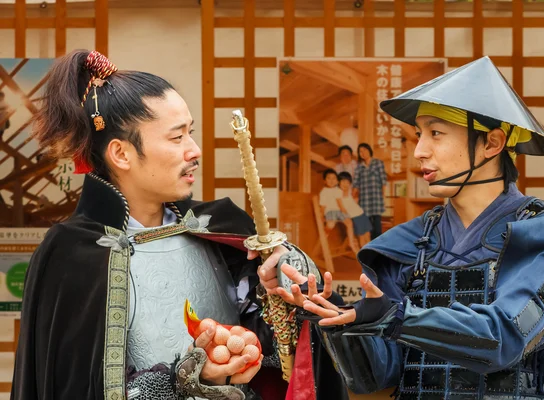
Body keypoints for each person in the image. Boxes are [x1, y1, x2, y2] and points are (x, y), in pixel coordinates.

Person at [11, 50, 347, 400]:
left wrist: (282, 289)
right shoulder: (71, 253)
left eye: (191, 133)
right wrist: (189, 380)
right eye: (177, 137)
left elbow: (284, 355)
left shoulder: (219, 226)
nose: (195, 150)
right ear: (121, 154)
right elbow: (75, 386)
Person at [270, 56, 544, 399]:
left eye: (436, 133)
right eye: (420, 135)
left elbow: (506, 338)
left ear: (492, 144)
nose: (419, 151)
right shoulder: (407, 243)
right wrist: (333, 313)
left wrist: (397, 317)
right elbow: (374, 376)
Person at [319, 168, 359, 253]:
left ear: (337, 181)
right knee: (331, 224)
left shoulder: (338, 190)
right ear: (324, 181)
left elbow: (341, 202)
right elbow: (323, 206)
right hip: (330, 211)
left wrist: (347, 208)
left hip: (339, 211)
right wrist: (321, 216)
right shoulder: (324, 192)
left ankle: (351, 242)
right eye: (329, 178)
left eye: (334, 178)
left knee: (349, 223)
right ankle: (325, 235)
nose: (331, 180)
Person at [353, 143, 387, 239]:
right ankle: (371, 246)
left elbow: (383, 181)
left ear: (369, 150)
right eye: (360, 151)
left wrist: (384, 198)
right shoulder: (359, 167)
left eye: (365, 150)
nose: (363, 153)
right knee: (368, 226)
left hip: (376, 198)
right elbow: (356, 184)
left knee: (377, 224)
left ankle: (378, 246)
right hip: (364, 200)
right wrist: (350, 199)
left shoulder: (378, 163)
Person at [338, 172, 371, 248]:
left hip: (362, 215)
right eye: (343, 182)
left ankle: (371, 255)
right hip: (356, 218)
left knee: (368, 236)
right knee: (362, 238)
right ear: (338, 182)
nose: (345, 184)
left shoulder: (349, 193)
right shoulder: (337, 195)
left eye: (347, 182)